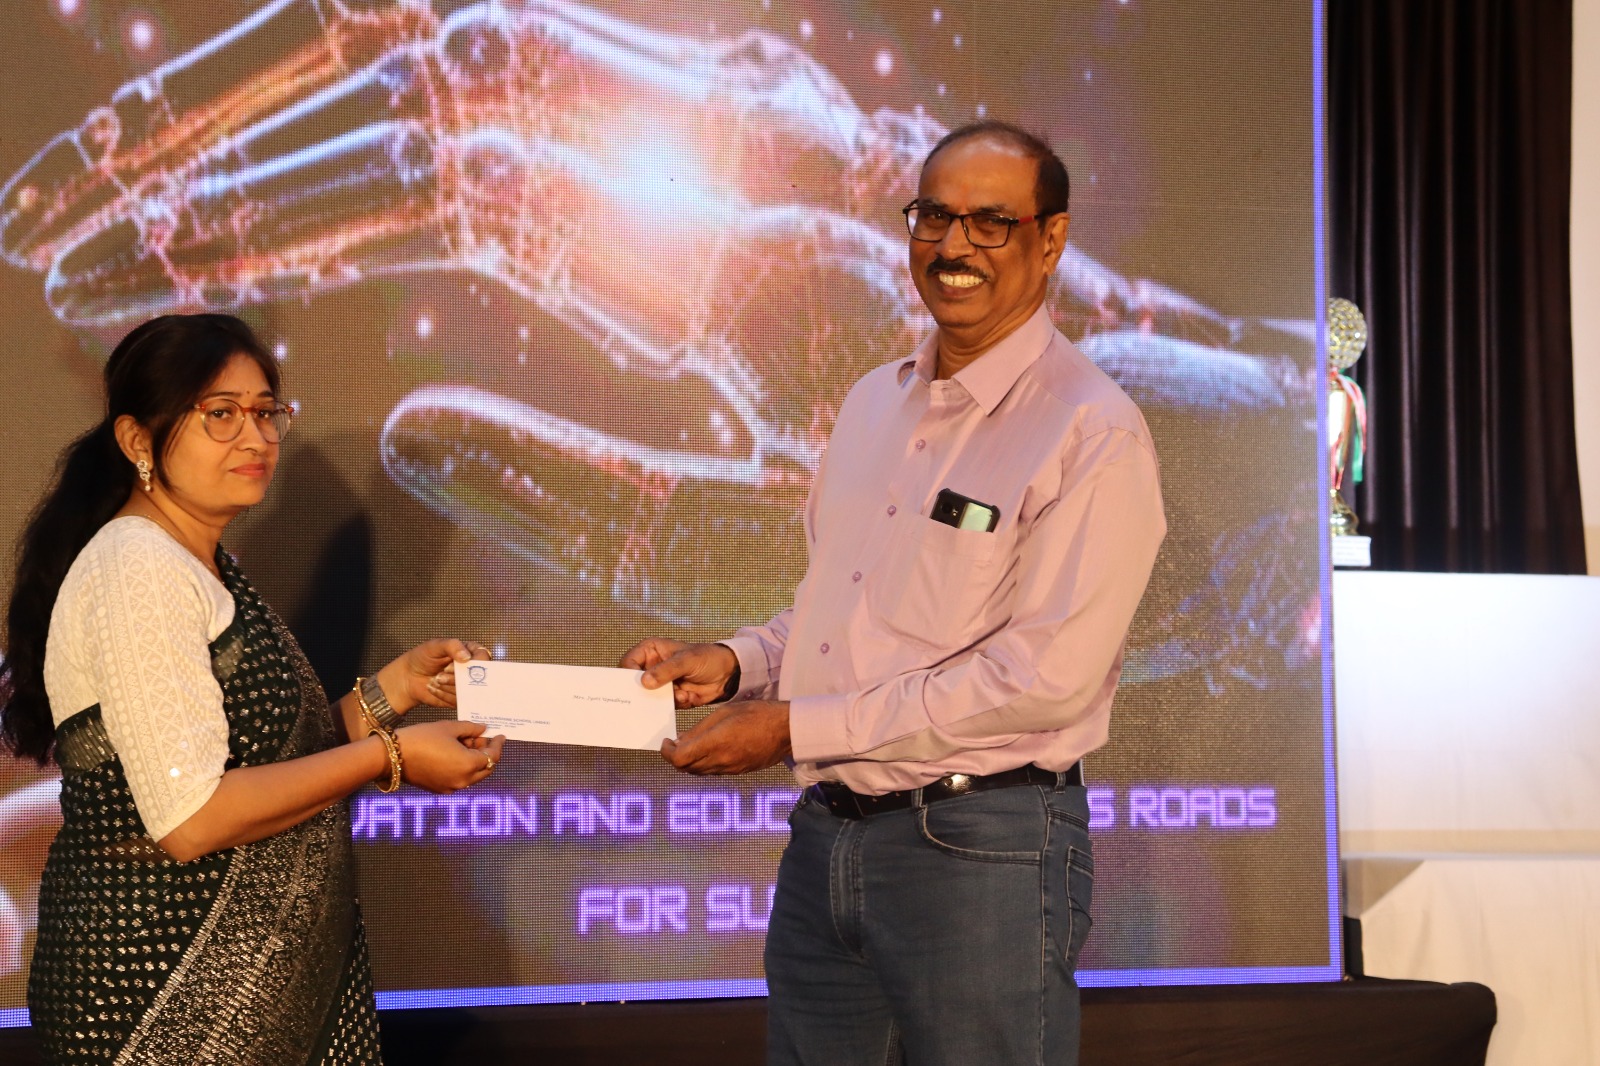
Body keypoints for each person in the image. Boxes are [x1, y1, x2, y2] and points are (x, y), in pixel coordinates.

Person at [621, 120, 1166, 1066]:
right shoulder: (876, 400)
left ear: (1051, 241)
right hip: (828, 840)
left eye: (991, 222)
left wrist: (794, 729)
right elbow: (844, 609)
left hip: (982, 849)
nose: (954, 247)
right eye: (934, 217)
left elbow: (1044, 679)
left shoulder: (1090, 430)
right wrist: (739, 664)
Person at [0, 313, 506, 1064]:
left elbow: (274, 759)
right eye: (221, 414)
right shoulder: (139, 568)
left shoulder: (200, 563)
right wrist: (392, 756)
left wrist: (395, 689)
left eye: (266, 412)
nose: (256, 437)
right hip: (164, 997)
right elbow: (193, 817)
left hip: (243, 992)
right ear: (138, 440)